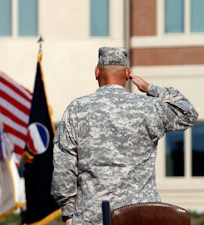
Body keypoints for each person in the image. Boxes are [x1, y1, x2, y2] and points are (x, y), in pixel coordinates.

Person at [51, 47, 198, 225]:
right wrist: (151, 88)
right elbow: (188, 113)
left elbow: (63, 167)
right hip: (141, 216)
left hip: (93, 217)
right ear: (128, 73)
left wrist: (68, 211)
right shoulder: (149, 107)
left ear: (97, 72)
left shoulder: (76, 109)